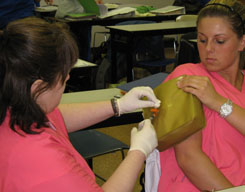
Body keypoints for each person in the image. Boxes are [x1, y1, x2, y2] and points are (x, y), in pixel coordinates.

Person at [0, 17, 161, 192]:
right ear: (38, 87)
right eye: (63, 77)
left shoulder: (14, 103)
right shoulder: (41, 159)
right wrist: (138, 152)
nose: (68, 78)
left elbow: (58, 117)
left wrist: (118, 105)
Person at [157, 0, 245, 191]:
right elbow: (188, 158)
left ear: (242, 42)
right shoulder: (186, 77)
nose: (208, 49)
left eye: (219, 41)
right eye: (202, 40)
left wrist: (218, 102)